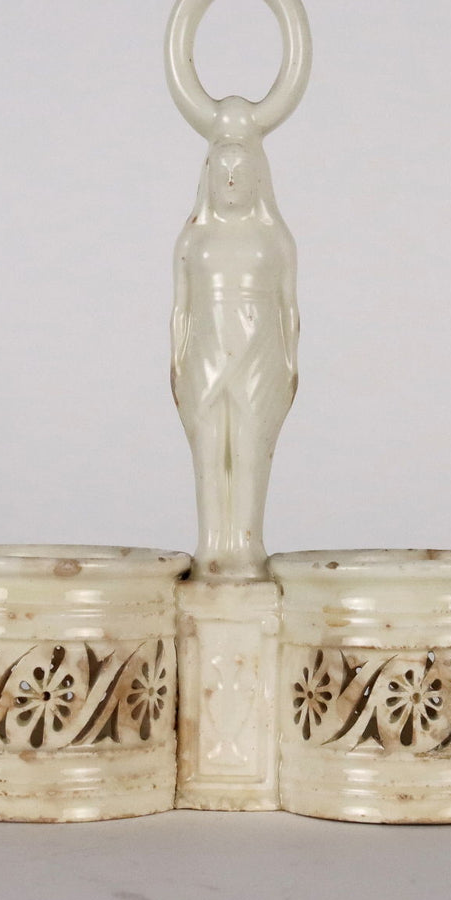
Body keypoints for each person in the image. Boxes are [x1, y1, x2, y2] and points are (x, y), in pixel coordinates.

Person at [171, 96, 299, 580]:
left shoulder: (275, 239)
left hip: (259, 357)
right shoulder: (193, 239)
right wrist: (178, 363)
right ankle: (212, 546)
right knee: (209, 445)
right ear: (207, 179)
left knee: (248, 446)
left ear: (258, 181)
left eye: (239, 173)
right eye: (221, 173)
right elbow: (181, 310)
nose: (229, 182)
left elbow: (289, 310)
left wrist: (289, 365)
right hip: (204, 357)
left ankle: (245, 547)